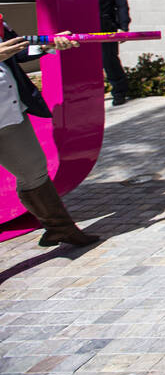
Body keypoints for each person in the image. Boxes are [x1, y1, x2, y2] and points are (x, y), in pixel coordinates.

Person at [0, 21, 94, 247]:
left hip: (9, 112)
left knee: (34, 171)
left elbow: (17, 49)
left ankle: (60, 229)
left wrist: (48, 43)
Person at [97, 0, 130, 106]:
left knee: (108, 59)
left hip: (105, 27)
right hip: (83, 27)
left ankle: (119, 92)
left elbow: (122, 6)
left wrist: (123, 27)